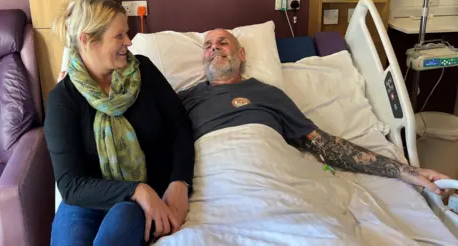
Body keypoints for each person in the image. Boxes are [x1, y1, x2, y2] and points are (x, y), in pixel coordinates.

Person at [178, 28, 452, 195]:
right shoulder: (185, 98)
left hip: (274, 182)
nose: (214, 46)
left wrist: (405, 171)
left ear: (242, 54)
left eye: (223, 42)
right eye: (208, 44)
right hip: (215, 186)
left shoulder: (268, 93)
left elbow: (324, 145)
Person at [44, 0, 195, 246]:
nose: (128, 42)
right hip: (86, 202)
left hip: (137, 203)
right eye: (119, 36)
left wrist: (179, 181)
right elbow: (70, 184)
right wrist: (135, 189)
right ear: (87, 40)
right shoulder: (63, 100)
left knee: (118, 226)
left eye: (127, 33)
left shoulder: (143, 72)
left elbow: (180, 127)